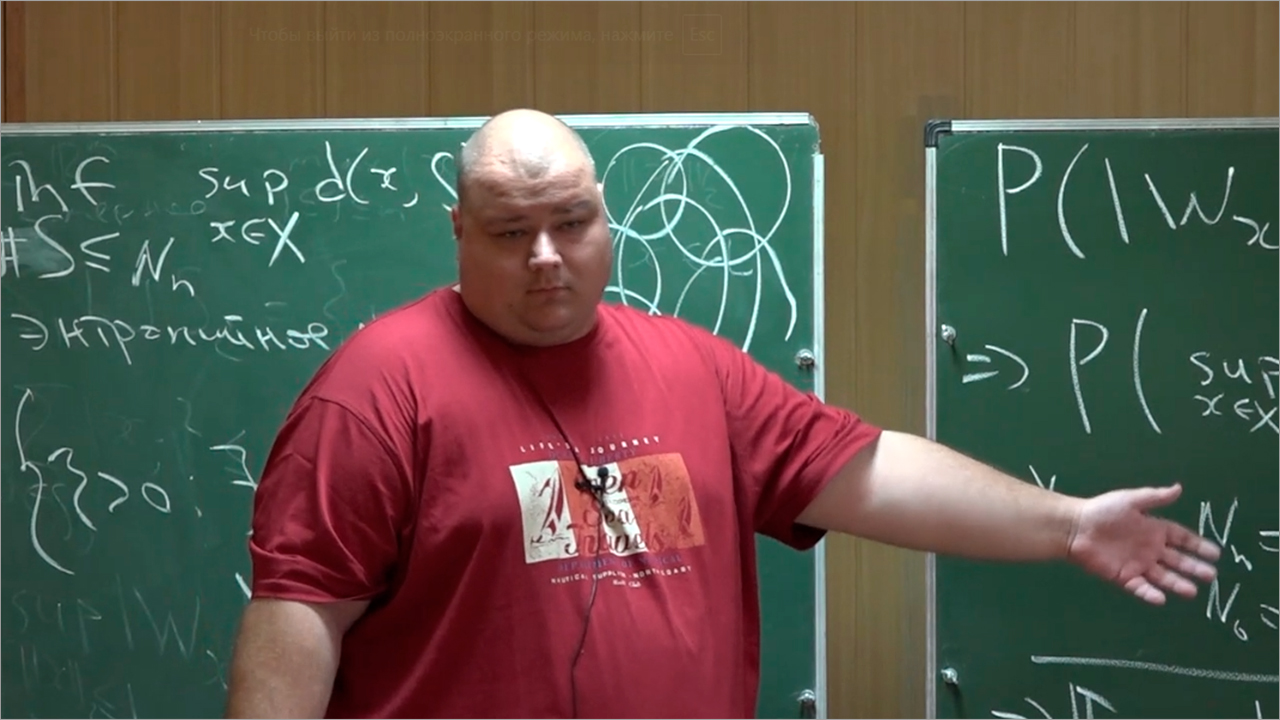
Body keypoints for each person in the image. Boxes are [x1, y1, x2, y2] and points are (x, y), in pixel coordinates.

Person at [223, 109, 1221, 720]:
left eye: (570, 222)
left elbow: (868, 473)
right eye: (509, 231)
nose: (545, 256)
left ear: (606, 217)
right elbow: (299, 615)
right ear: (457, 231)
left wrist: (1067, 525)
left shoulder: (692, 370)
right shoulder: (375, 392)